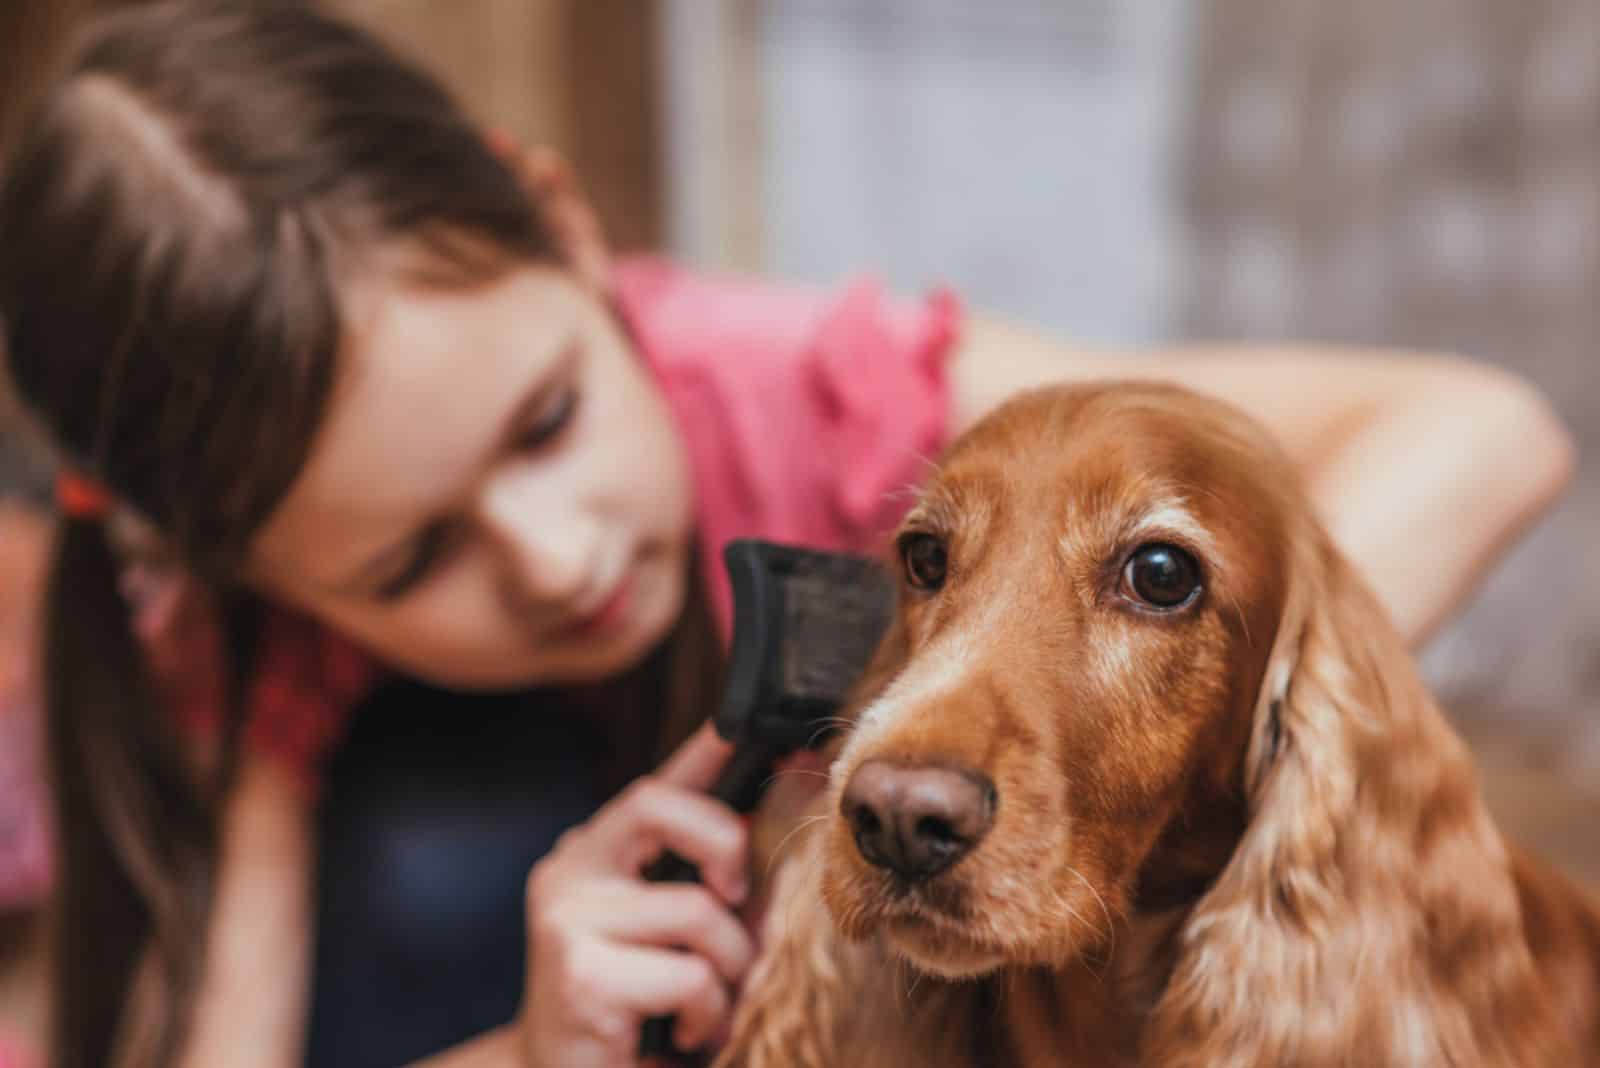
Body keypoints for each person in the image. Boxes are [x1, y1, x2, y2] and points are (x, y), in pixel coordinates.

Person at [0, 3, 1574, 1067]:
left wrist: (1194, 712)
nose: (554, 553)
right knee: (434, 842)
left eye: (546, 419)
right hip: (627, 931)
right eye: (413, 558)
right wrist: (541, 1045)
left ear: (565, 226)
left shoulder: (808, 385)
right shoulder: (232, 674)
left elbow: (1491, 432)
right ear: (234, 571)